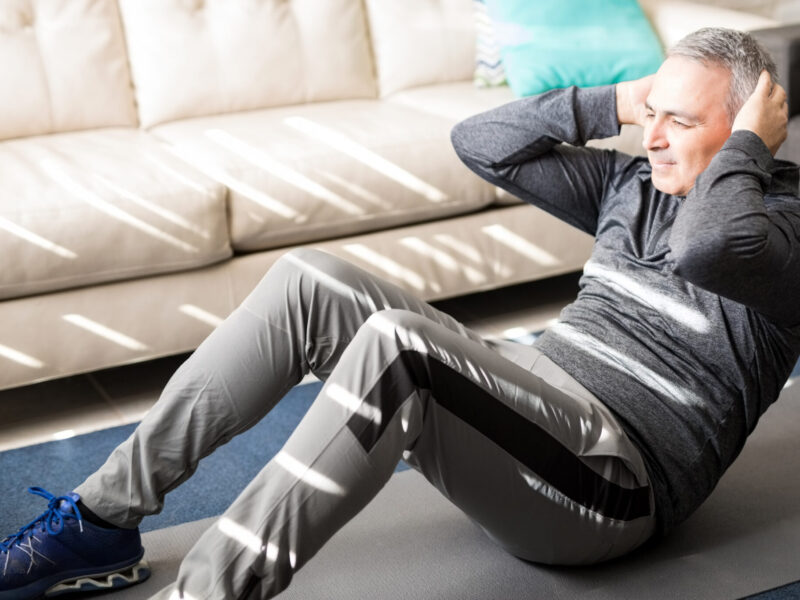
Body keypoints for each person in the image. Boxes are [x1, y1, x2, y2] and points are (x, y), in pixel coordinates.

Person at [2, 26, 799, 600]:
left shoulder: (782, 227)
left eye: (680, 121)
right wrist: (622, 100)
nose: (653, 138)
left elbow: (709, 248)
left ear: (749, 133)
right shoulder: (632, 184)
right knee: (308, 281)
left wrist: (747, 154)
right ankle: (101, 519)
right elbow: (480, 142)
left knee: (398, 345)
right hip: (524, 412)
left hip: (611, 482)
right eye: (651, 115)